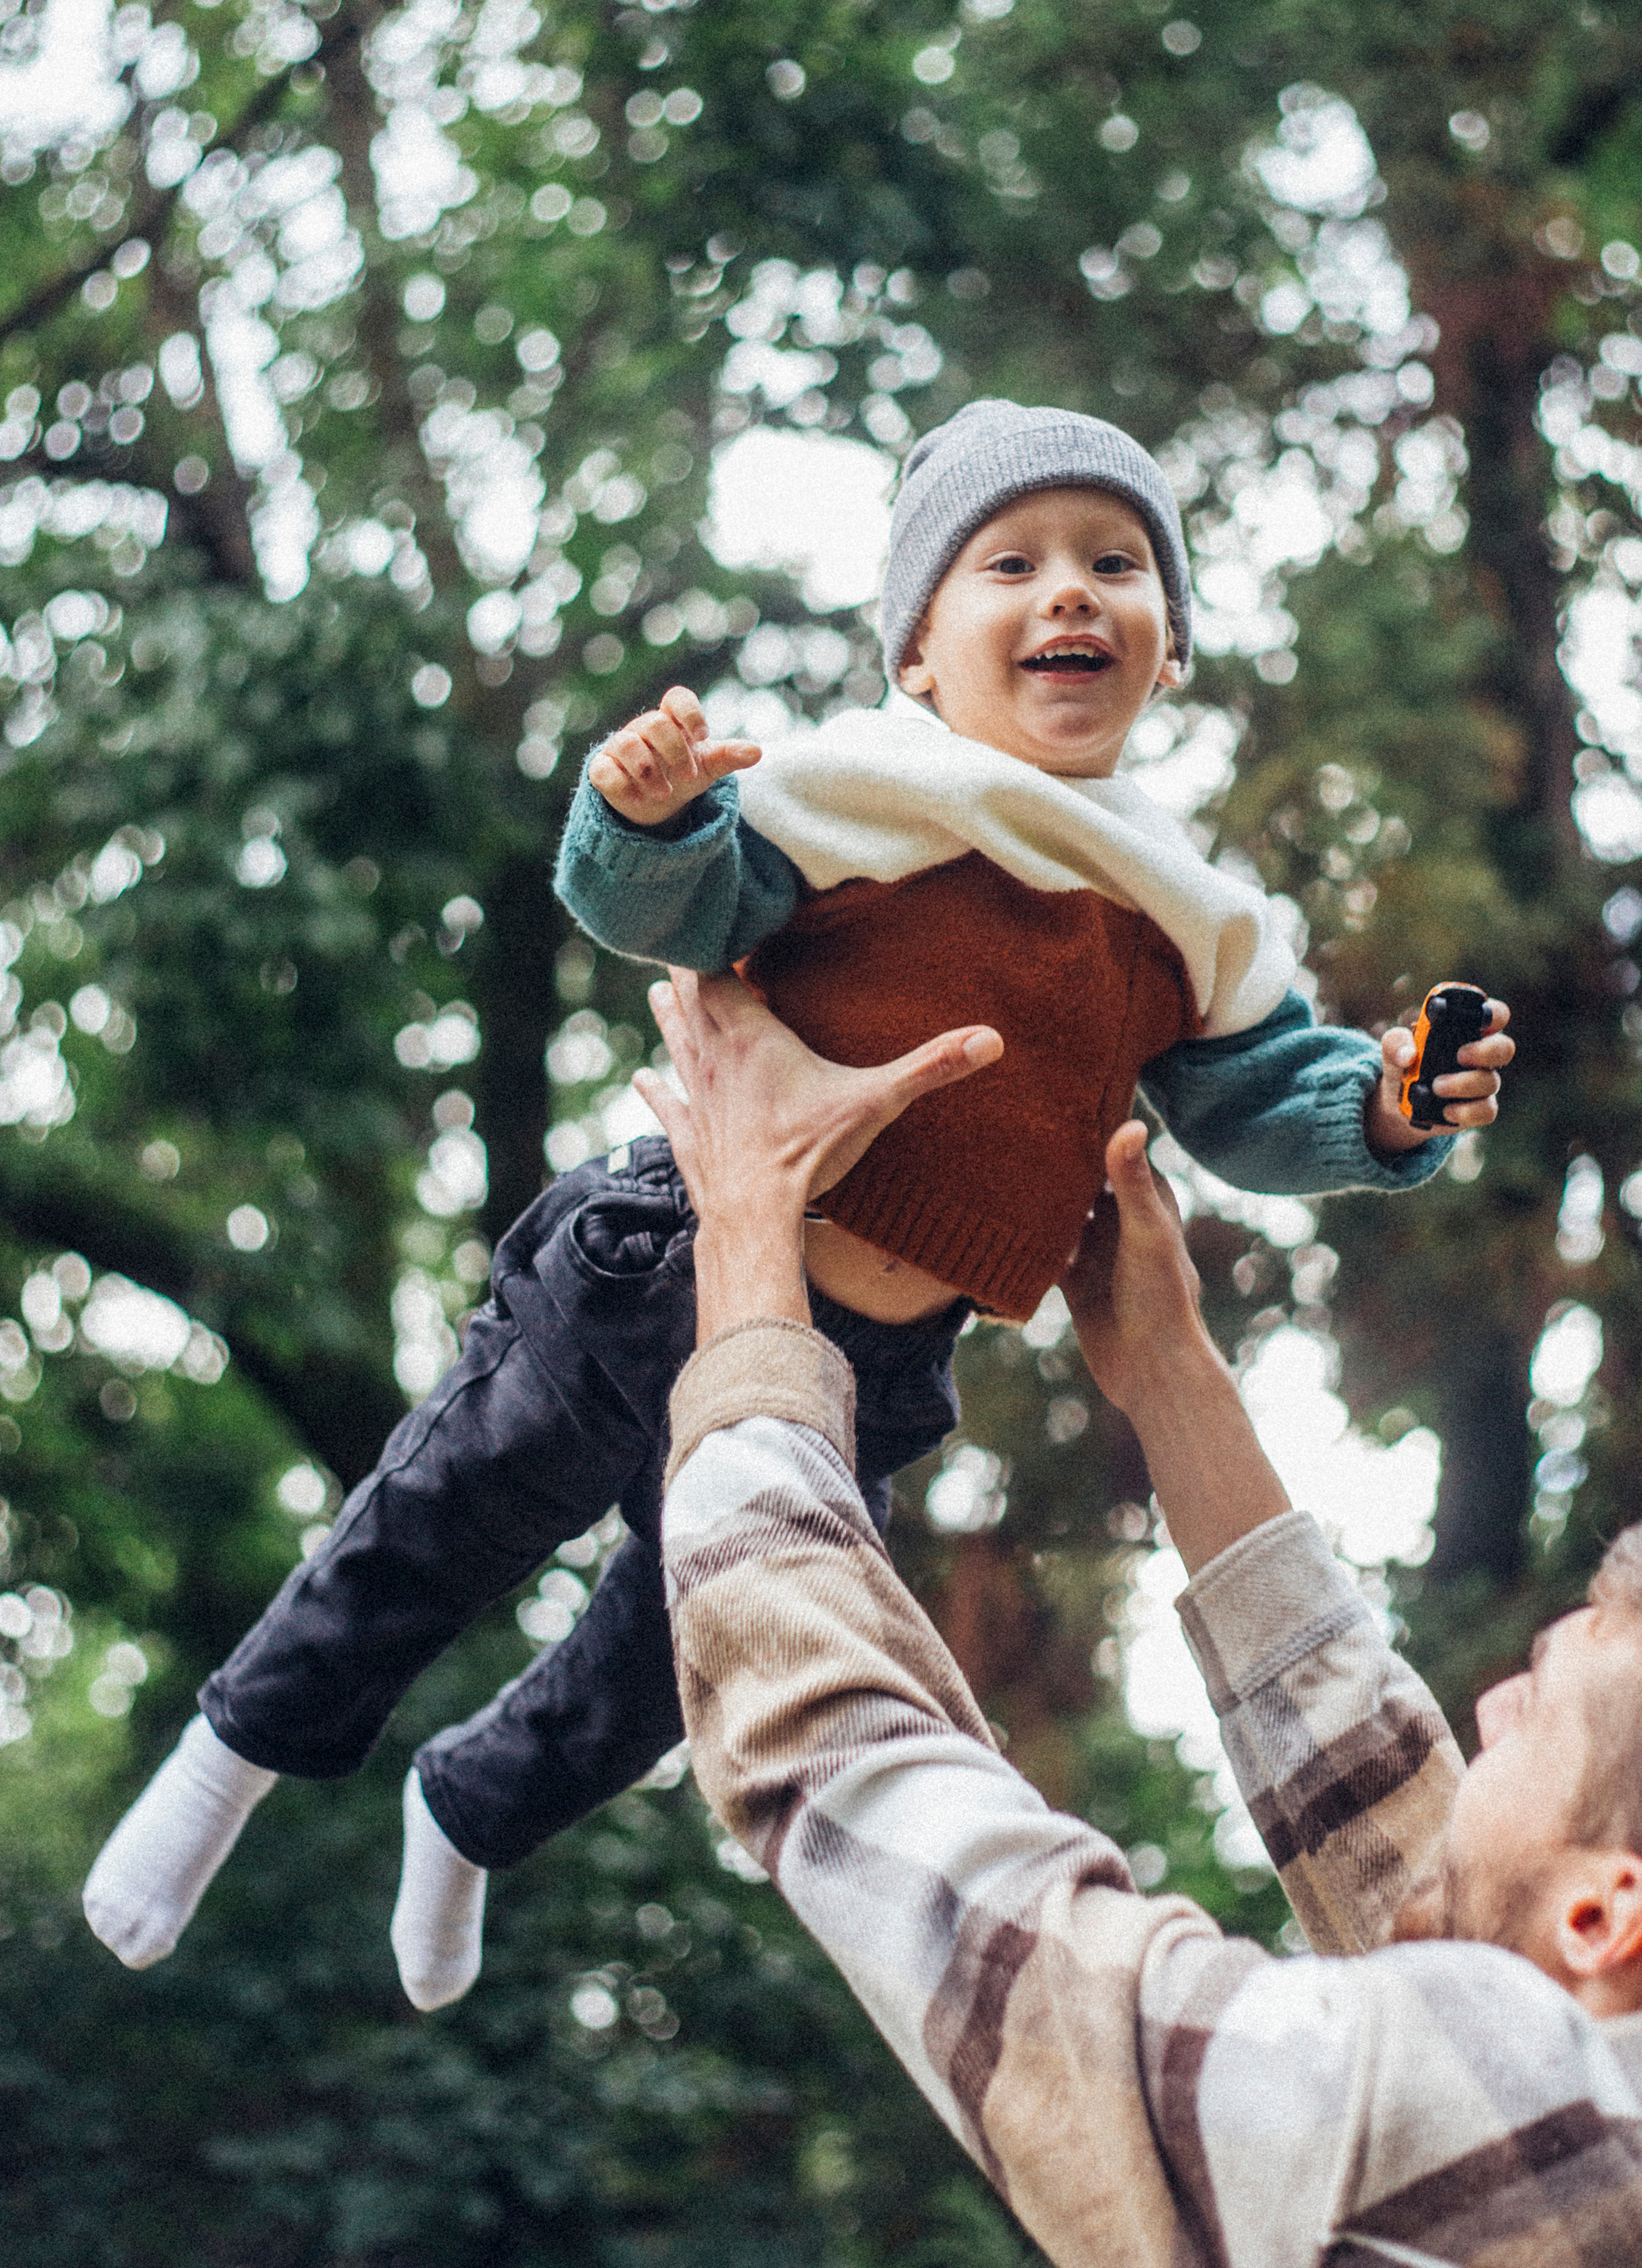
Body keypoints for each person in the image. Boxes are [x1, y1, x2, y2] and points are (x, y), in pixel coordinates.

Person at [83, 400, 1514, 2011]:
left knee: (672, 1666)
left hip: (864, 1378)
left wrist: (1386, 1104)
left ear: (1165, 650)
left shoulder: (1183, 909)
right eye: (1013, 563)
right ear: (916, 651)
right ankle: (233, 1752)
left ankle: (469, 1806)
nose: (1069, 594)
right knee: (444, 1516)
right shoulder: (857, 794)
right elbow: (662, 902)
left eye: (1114, 564)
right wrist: (639, 808)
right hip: (669, 1266)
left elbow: (1256, 1101)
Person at [652, 967, 1642, 2268]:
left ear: (1609, 1915)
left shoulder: (1497, 2153)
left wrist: (749, 1228)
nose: (1485, 1709)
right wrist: (1171, 1376)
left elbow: (904, 1834)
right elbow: (1439, 1867)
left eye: (1539, 1703)